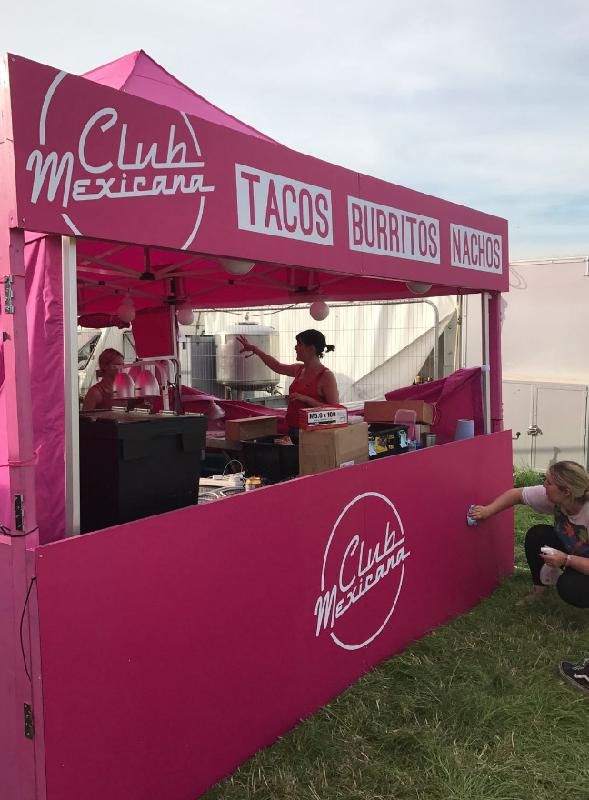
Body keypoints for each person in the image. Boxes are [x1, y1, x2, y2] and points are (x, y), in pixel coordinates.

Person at [470, 461, 589, 607]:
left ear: (566, 492)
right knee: (538, 535)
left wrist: (566, 560)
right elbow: (517, 495)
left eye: (549, 482)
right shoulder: (557, 498)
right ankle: (539, 591)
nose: (544, 484)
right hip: (575, 554)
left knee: (570, 587)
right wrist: (488, 510)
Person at [236, 329, 339, 433]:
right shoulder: (299, 369)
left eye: (299, 344)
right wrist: (255, 349)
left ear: (311, 349)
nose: (295, 347)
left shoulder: (326, 376)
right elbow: (277, 366)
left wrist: (307, 399)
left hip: (312, 435)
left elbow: (336, 411)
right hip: (292, 428)